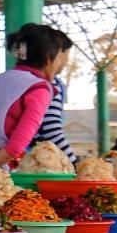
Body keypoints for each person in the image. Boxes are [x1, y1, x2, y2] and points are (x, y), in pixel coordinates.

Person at [0, 23, 70, 170]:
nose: (60, 62)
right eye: (58, 55)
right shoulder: (39, 88)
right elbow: (16, 146)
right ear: (48, 58)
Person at [32, 31, 76, 163]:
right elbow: (52, 130)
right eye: (67, 54)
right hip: (36, 160)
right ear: (58, 53)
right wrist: (74, 163)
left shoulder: (22, 79)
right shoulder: (50, 85)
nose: (66, 61)